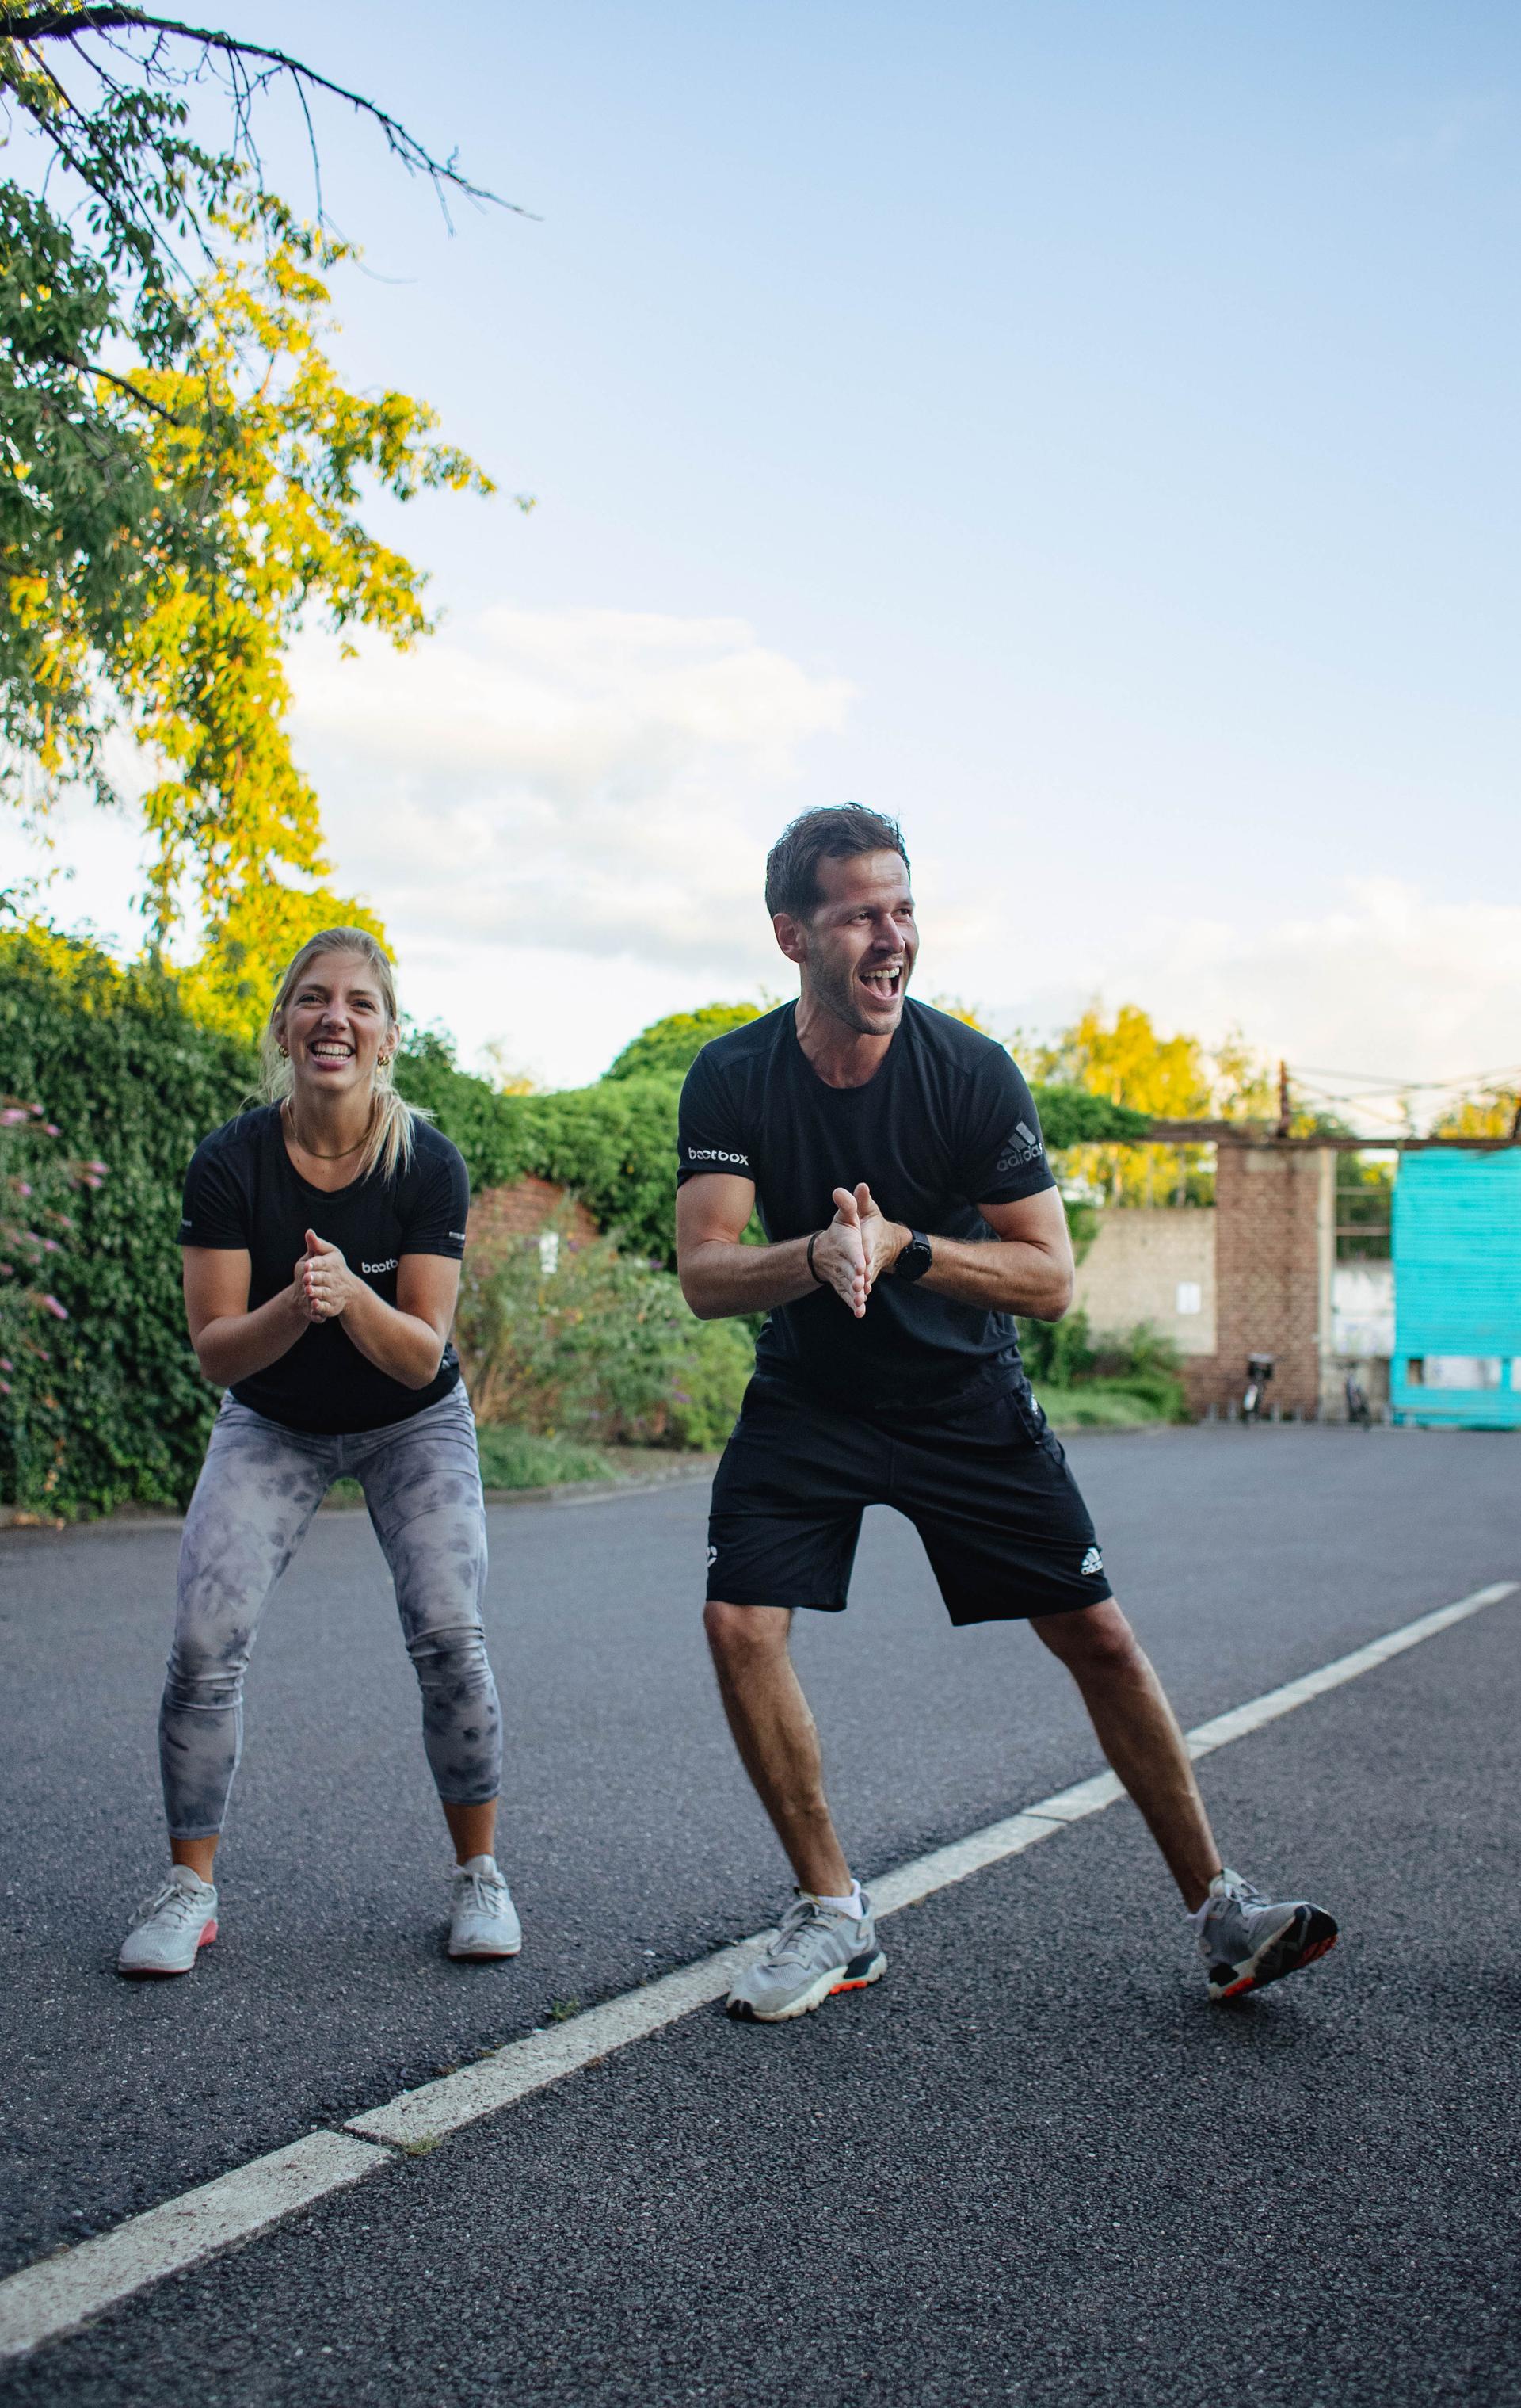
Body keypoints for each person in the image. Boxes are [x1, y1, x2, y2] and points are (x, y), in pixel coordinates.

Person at [677, 805, 1337, 2022]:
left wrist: (905, 1247)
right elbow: (707, 1272)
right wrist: (818, 1256)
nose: (894, 937)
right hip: (810, 1399)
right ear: (791, 935)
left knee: (1098, 1638)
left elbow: (1050, 1276)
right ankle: (834, 1913)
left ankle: (1222, 1911)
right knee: (737, 1622)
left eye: (905, 909)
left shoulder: (969, 1073)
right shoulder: (733, 1075)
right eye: (861, 913)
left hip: (961, 1397)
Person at [117, 929, 519, 1977]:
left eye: (359, 1003)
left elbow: (421, 1352)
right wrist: (300, 1308)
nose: (334, 1017)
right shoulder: (229, 1161)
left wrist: (350, 1299)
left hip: (411, 1420)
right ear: (285, 1025)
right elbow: (216, 1353)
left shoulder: (428, 1164)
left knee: (449, 1633)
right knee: (205, 1643)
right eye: (312, 999)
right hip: (273, 1419)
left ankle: (479, 1877)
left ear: (389, 1036)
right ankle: (187, 1891)